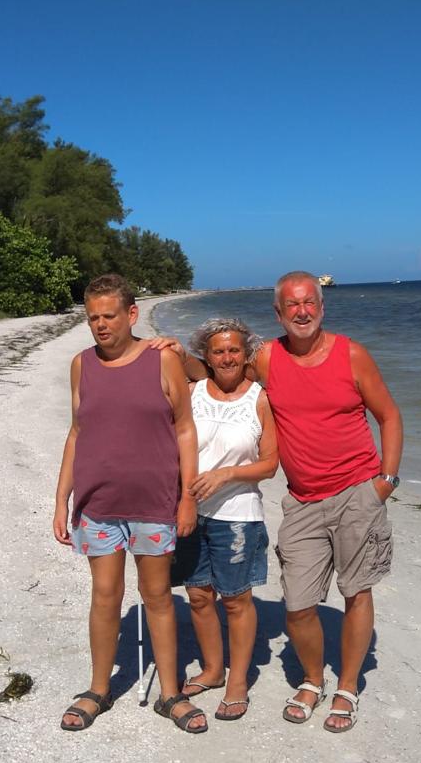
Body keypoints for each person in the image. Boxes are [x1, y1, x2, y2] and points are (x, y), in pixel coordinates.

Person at [161, 270, 403, 733]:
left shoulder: (352, 355)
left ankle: (347, 688)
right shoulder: (269, 358)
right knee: (298, 605)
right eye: (292, 305)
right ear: (278, 313)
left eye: (309, 302)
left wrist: (385, 482)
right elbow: (219, 371)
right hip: (302, 499)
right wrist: (174, 351)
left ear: (322, 306)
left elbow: (389, 415)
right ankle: (312, 679)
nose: (302, 311)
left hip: (358, 491)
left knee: (357, 592)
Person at [52, 274, 207, 734]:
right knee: (105, 595)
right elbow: (77, 432)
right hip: (97, 503)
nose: (101, 325)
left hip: (154, 503)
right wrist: (61, 500)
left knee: (157, 596)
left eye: (109, 316)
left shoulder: (162, 360)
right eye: (93, 318)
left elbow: (185, 429)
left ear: (132, 314)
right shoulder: (81, 364)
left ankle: (170, 693)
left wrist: (187, 497)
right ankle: (98, 689)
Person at [174, 318, 278, 722]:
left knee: (236, 599)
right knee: (199, 595)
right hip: (191, 510)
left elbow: (270, 464)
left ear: (246, 354)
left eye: (234, 350)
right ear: (207, 356)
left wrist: (227, 474)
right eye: (218, 351)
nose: (227, 357)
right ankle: (213, 669)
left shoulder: (259, 399)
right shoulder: (192, 392)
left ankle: (238, 681)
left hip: (238, 515)